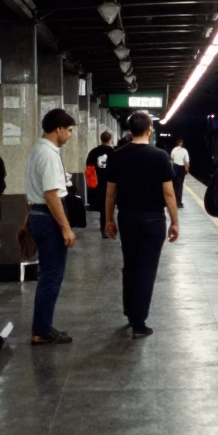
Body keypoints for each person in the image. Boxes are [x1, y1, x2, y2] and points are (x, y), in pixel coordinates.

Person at [104, 111, 179, 338]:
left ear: (129, 131)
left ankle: (129, 310)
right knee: (147, 270)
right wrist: (174, 221)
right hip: (153, 219)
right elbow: (168, 193)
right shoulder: (159, 156)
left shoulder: (117, 155)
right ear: (150, 130)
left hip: (127, 217)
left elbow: (110, 193)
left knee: (131, 265)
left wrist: (108, 220)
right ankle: (139, 323)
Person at [26, 108, 78, 345]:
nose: (69, 135)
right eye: (68, 130)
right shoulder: (48, 155)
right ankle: (41, 330)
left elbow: (34, 195)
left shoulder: (38, 151)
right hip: (48, 217)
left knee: (48, 274)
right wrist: (66, 228)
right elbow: (51, 195)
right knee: (52, 275)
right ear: (58, 129)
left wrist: (26, 221)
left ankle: (42, 326)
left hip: (38, 214)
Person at [86, 130, 117, 235]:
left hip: (97, 183)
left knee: (102, 206)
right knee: (109, 205)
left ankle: (104, 226)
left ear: (101, 139)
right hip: (110, 182)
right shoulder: (114, 152)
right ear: (110, 139)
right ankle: (108, 226)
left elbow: (89, 168)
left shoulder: (93, 152)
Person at [169, 138, 190, 208]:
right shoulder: (184, 150)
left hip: (175, 167)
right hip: (181, 168)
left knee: (174, 185)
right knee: (180, 185)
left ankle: (174, 201)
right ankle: (179, 203)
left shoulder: (174, 150)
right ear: (181, 143)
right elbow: (187, 160)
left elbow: (171, 159)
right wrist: (187, 168)